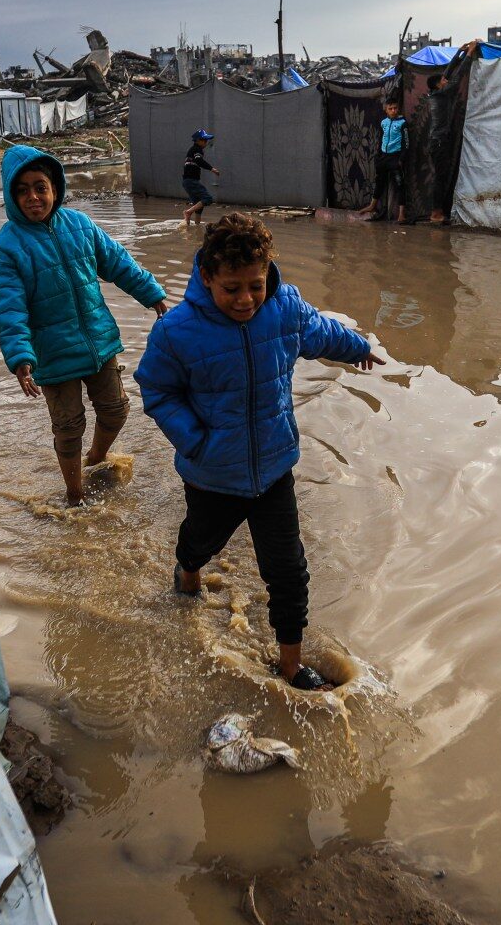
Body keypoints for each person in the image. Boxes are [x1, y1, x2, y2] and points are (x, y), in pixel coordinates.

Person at [135, 213, 384, 691]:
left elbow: (320, 331)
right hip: (212, 474)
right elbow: (157, 390)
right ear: (206, 276)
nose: (246, 299)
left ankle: (290, 665)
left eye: (256, 284)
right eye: (231, 289)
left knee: (288, 570)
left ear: (269, 272)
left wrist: (356, 347)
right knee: (200, 542)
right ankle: (188, 570)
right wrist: (196, 442)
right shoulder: (176, 331)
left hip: (273, 469)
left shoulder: (284, 306)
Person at [0, 144, 169, 507]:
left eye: (40, 187)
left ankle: (96, 459)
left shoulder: (80, 225)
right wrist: (20, 356)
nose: (33, 197)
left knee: (116, 410)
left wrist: (153, 295)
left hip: (98, 341)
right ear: (11, 196)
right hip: (53, 353)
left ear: (55, 188)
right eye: (22, 190)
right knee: (69, 427)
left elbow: (119, 263)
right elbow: (10, 308)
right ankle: (75, 496)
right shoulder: (7, 246)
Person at [357, 99, 406, 223]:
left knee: (400, 184)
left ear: (398, 108)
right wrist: (378, 156)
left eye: (395, 108)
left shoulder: (402, 123)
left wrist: (401, 159)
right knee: (379, 182)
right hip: (383, 157)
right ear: (386, 110)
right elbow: (381, 139)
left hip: (395, 157)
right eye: (390, 108)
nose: (393, 111)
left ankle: (402, 214)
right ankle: (372, 206)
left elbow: (406, 143)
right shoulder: (384, 122)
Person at [181, 130, 220, 226]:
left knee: (199, 206)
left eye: (207, 140)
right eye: (204, 140)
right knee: (208, 198)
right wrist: (212, 169)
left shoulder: (192, 150)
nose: (206, 142)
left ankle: (195, 226)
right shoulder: (197, 149)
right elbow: (199, 160)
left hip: (187, 182)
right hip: (191, 181)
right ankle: (188, 212)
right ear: (198, 140)